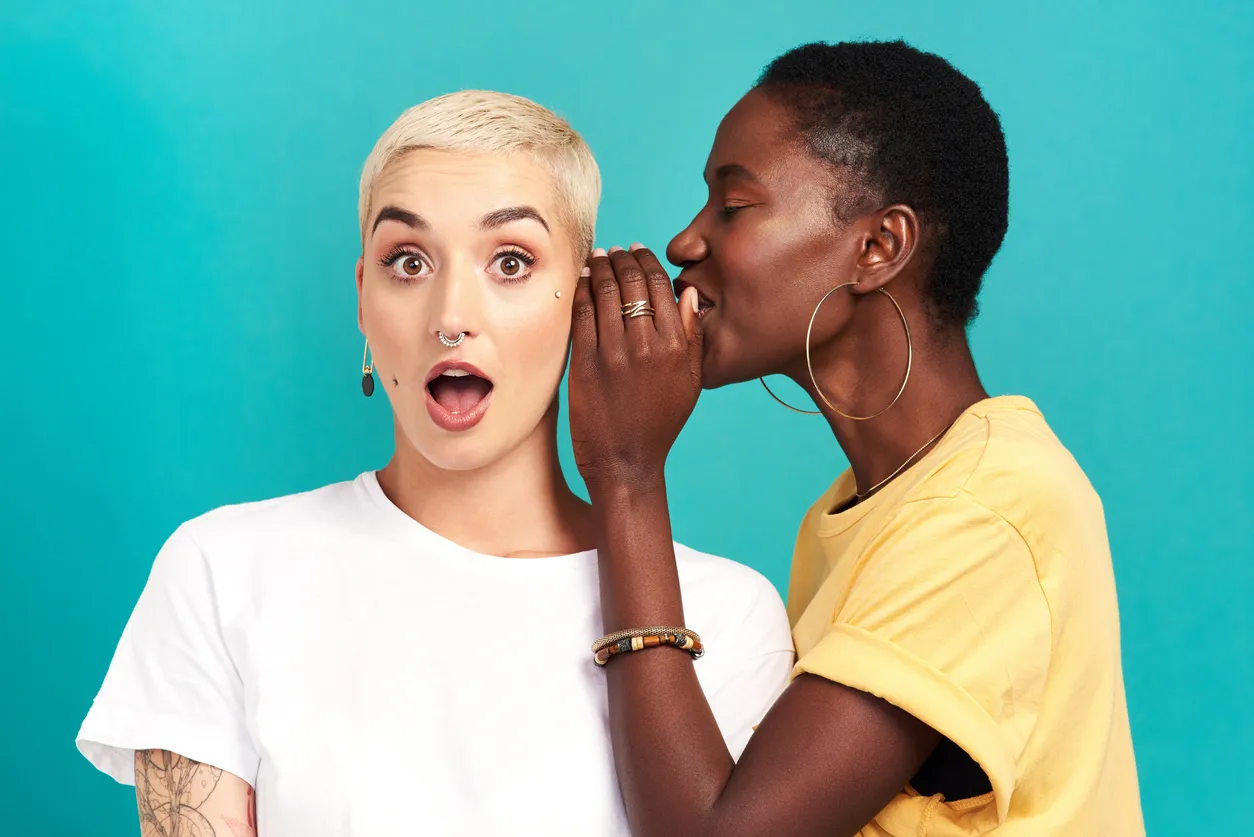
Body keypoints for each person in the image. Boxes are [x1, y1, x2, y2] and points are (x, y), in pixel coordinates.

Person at [76, 90, 793, 836]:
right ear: (363, 298)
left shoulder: (727, 614)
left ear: (584, 301)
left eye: (510, 261)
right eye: (408, 261)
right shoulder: (221, 569)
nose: (451, 315)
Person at [567, 41, 1144, 836]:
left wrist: (628, 474)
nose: (683, 243)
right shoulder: (849, 513)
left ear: (878, 248)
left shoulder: (986, 512)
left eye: (733, 207)